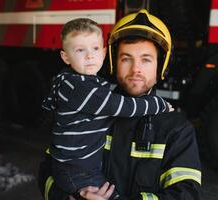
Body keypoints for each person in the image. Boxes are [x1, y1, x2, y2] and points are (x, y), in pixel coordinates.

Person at [38, 9, 202, 200]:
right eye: (126, 59)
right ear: (114, 62)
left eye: (146, 59)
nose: (136, 69)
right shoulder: (86, 109)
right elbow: (48, 171)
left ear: (161, 65)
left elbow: (186, 195)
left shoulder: (177, 130)